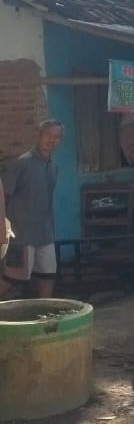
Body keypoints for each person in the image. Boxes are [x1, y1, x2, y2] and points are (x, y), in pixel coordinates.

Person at [1, 120, 63, 299]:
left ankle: (43, 313)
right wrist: (3, 228)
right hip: (22, 235)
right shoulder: (22, 163)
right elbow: (4, 197)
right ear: (39, 135)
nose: (51, 140)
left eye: (56, 137)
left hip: (45, 234)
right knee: (12, 278)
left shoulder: (53, 167)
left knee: (48, 277)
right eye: (48, 135)